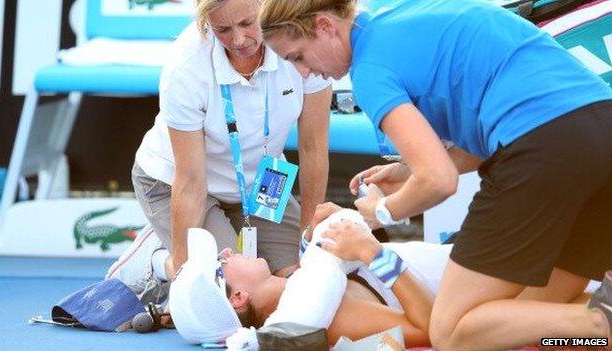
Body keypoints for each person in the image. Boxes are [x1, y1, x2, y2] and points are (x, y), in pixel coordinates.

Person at [258, 0, 612, 349]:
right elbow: (490, 132)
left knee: (452, 333)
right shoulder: (407, 16)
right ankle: (598, 325)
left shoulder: (368, 69)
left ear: (324, 27)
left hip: (542, 149)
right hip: (601, 134)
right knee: (525, 318)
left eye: (297, 57)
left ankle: (601, 322)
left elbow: (439, 180)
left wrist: (380, 213)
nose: (304, 73)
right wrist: (408, 169)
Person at [130, 0, 332, 292]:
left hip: (260, 181)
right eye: (222, 29)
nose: (238, 40)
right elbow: (189, 182)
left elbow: (313, 147)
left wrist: (309, 236)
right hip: (177, 184)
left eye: (248, 24)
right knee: (237, 291)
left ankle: (195, 247)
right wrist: (186, 283)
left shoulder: (301, 42)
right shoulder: (185, 67)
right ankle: (159, 261)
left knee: (299, 281)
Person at [168, 203, 437, 347]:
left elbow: (312, 276)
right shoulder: (333, 320)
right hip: (473, 280)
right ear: (239, 297)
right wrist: (373, 254)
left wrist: (311, 240)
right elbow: (430, 329)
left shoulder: (307, 288)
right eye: (220, 262)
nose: (227, 250)